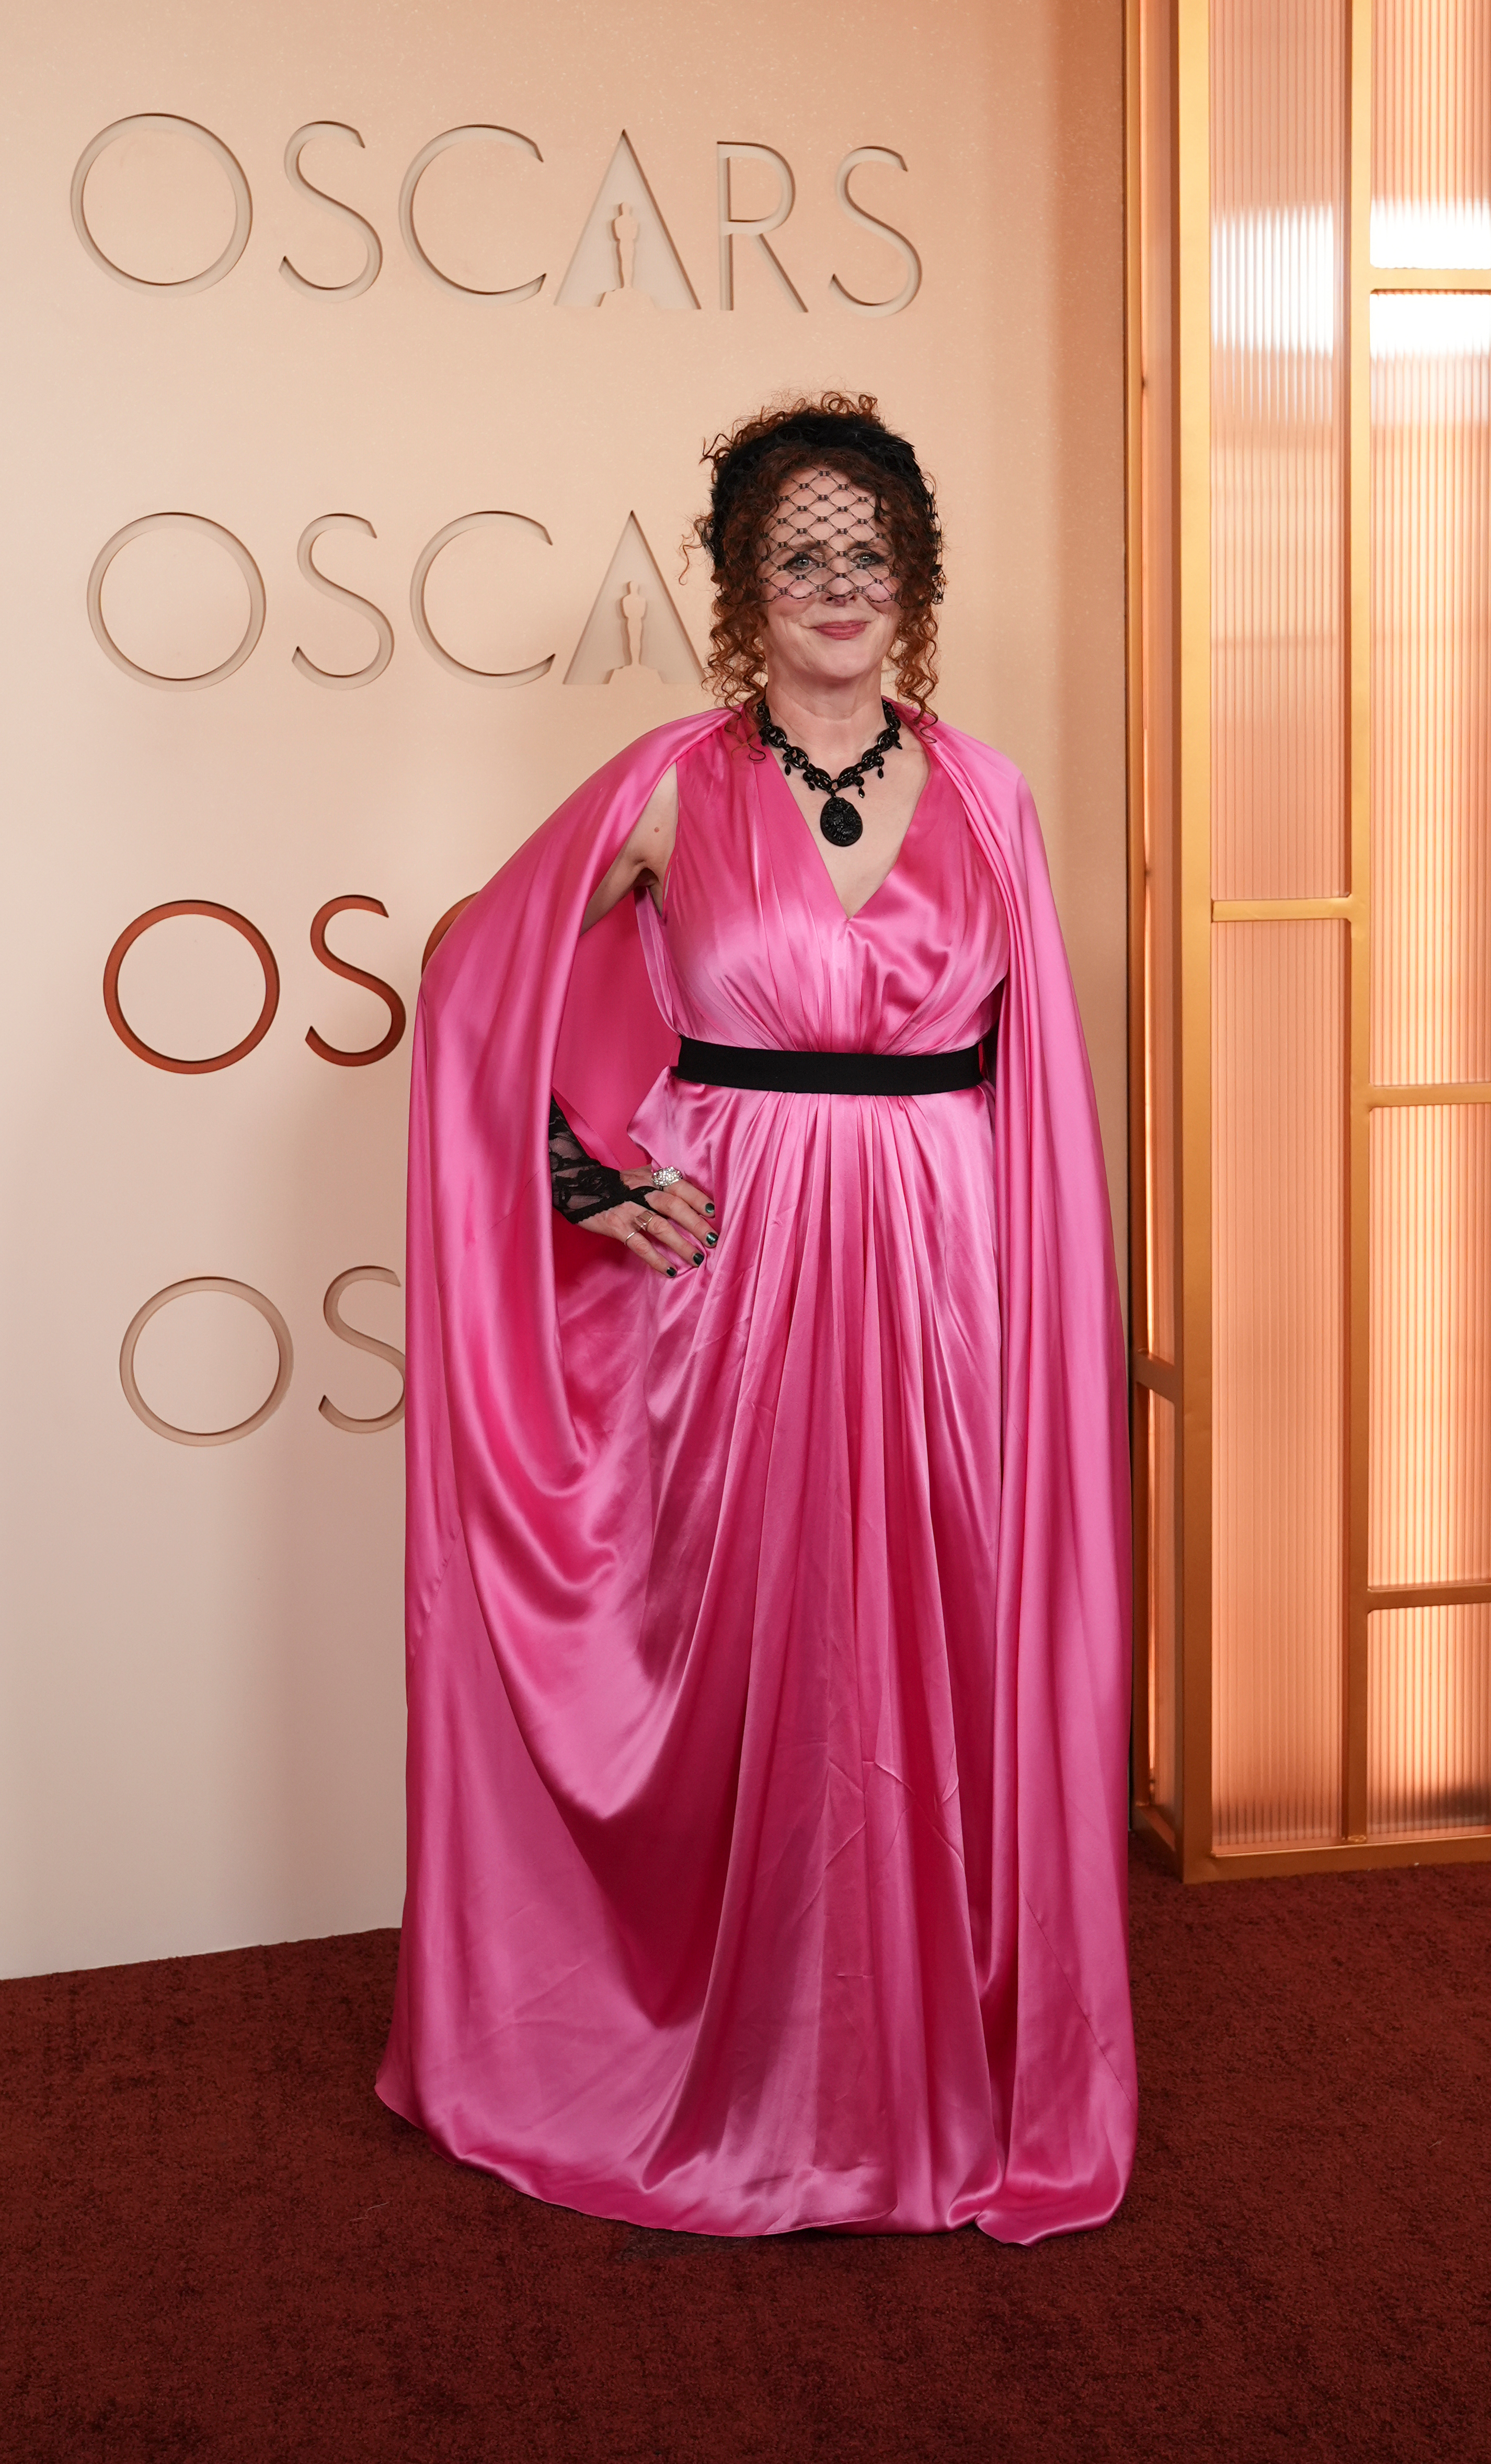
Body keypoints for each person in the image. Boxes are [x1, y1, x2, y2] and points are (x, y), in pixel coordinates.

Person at [377, 394, 1135, 2242]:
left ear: (917, 581)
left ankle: (921, 2078)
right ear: (741, 589)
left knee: (940, 1664)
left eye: (867, 548)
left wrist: (1044, 1307)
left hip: (948, 1280)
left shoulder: (991, 796)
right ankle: (729, 2072)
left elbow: (1031, 1082)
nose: (836, 583)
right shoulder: (667, 788)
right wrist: (588, 1182)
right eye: (798, 552)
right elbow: (475, 974)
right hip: (738, 1301)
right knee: (753, 1670)